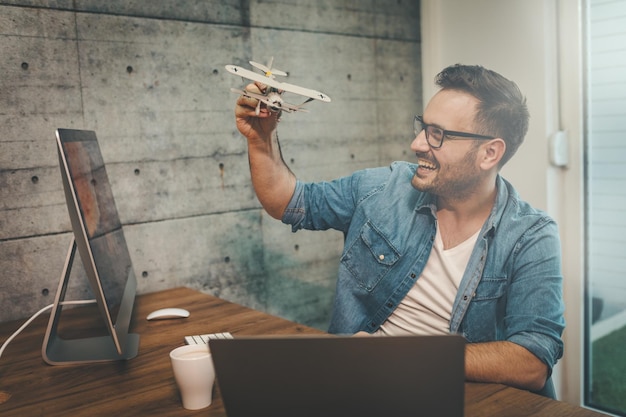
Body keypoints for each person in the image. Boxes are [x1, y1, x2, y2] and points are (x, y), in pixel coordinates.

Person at [233, 64, 565, 398]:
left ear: (489, 153)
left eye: (438, 134)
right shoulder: (383, 188)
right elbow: (290, 202)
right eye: (423, 127)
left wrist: (404, 356)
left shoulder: (531, 236)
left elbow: (533, 360)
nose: (417, 143)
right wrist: (260, 139)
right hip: (363, 387)